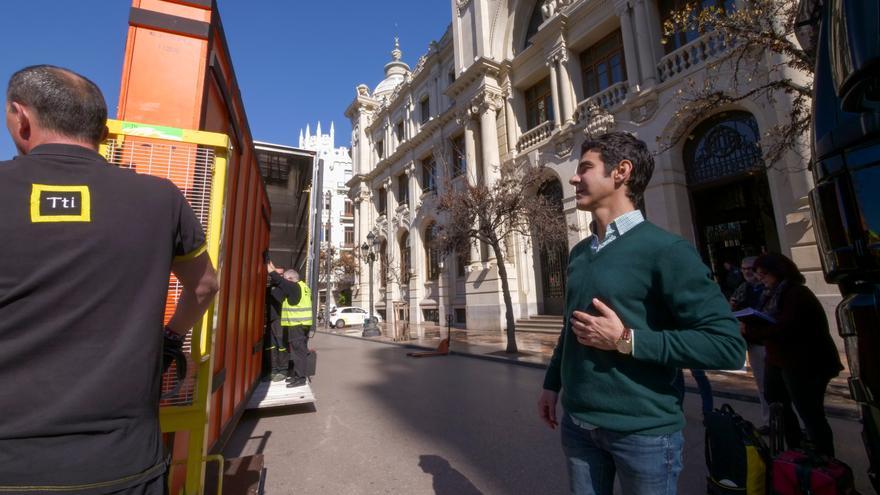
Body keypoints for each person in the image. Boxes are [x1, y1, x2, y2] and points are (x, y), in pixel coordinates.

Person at [0, 65, 219, 493]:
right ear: (101, 131)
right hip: (124, 464)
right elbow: (205, 286)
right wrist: (171, 339)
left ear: (19, 116)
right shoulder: (161, 198)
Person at [537, 132, 745, 495]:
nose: (573, 178)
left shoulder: (666, 250)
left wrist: (625, 340)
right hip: (578, 427)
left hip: (643, 435)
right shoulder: (580, 253)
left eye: (585, 168)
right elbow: (571, 328)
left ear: (621, 172)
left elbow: (726, 346)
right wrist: (552, 385)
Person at [748, 252, 843, 456]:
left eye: (764, 274)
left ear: (778, 271)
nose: (760, 278)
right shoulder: (771, 294)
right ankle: (795, 449)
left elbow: (786, 328)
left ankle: (824, 458)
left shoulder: (796, 293)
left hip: (803, 361)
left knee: (809, 411)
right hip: (777, 358)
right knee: (776, 400)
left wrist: (751, 330)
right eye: (758, 274)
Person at [730, 255, 770, 432]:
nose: (747, 272)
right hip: (754, 343)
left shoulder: (770, 288)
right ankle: (768, 420)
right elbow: (731, 308)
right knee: (762, 384)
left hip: (772, 342)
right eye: (743, 268)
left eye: (751, 268)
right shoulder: (743, 288)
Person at [267, 261, 313, 388]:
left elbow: (281, 282)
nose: (285, 282)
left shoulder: (294, 286)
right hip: (302, 324)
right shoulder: (303, 287)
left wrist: (271, 271)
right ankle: (298, 376)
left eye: (287, 279)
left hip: (297, 325)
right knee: (299, 352)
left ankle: (300, 379)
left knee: (298, 353)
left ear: (291, 279)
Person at [265, 265, 289, 381]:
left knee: (281, 346)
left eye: (281, 274)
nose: (279, 276)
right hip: (270, 320)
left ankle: (283, 370)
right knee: (271, 346)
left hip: (280, 320)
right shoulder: (269, 287)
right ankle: (273, 370)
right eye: (277, 273)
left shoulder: (284, 288)